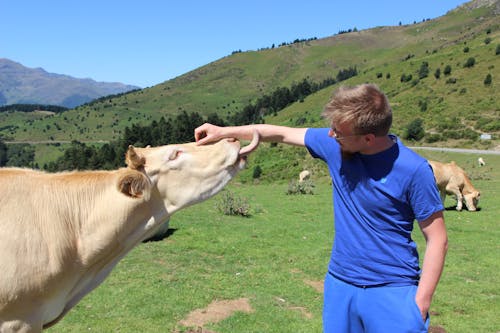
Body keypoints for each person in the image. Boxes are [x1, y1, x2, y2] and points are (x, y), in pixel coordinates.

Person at [194, 83, 448, 333]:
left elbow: (437, 239)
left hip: (392, 291)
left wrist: (420, 303)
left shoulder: (414, 170)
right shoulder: (336, 146)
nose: (330, 135)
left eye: (338, 132)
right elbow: (279, 133)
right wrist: (223, 131)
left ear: (368, 138)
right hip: (340, 284)